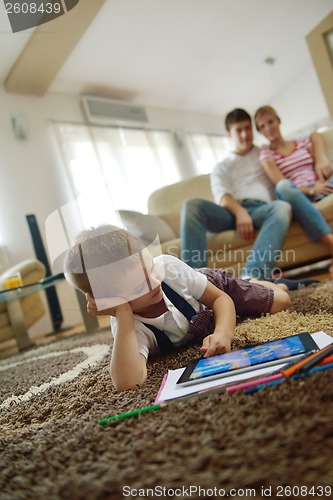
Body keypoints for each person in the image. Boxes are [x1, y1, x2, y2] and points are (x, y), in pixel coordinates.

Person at [64, 224, 291, 392]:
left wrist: (223, 333)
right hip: (192, 309)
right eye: (137, 285)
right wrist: (122, 314)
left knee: (281, 301)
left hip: (212, 286)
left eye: (150, 268)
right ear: (107, 299)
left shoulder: (168, 269)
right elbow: (127, 383)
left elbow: (221, 300)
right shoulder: (127, 324)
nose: (154, 282)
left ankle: (253, 281)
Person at [180, 108, 292, 281]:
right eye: (238, 130)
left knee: (282, 207)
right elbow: (223, 196)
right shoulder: (222, 166)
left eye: (247, 128)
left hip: (263, 210)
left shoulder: (265, 153)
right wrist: (240, 212)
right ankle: (193, 283)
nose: (245, 134)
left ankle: (252, 276)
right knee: (192, 205)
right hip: (230, 214)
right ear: (229, 134)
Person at [254, 105, 333, 276]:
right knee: (283, 187)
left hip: (321, 187)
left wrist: (320, 169)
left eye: (270, 121)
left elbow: (316, 138)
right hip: (297, 196)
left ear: (278, 120)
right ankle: (330, 243)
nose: (268, 128)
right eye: (262, 126)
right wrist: (312, 190)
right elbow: (281, 183)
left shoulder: (301, 142)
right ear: (260, 131)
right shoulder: (267, 155)